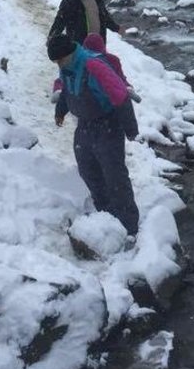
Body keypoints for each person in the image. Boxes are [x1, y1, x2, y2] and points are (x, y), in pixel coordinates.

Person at [47, 32, 140, 235]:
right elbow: (66, 91)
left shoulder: (93, 66)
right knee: (88, 171)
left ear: (68, 53)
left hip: (108, 124)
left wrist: (131, 130)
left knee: (114, 175)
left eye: (59, 60)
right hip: (85, 126)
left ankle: (129, 226)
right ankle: (106, 215)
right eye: (56, 61)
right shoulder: (67, 67)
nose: (58, 64)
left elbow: (120, 95)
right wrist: (60, 111)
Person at [48, 0, 119, 45]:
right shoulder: (70, 1)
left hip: (98, 42)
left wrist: (116, 28)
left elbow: (105, 16)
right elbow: (60, 21)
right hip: (79, 44)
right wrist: (52, 38)